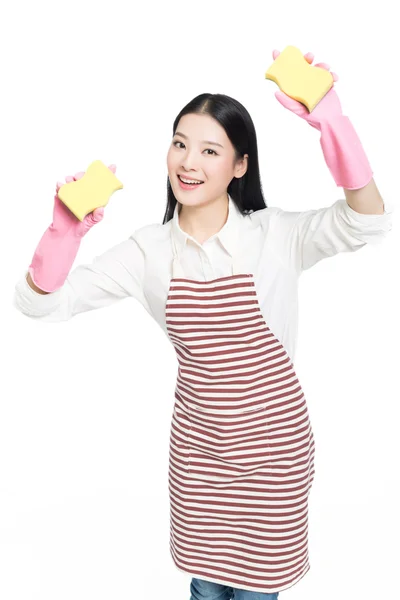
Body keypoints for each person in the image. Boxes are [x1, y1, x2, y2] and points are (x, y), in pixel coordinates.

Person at [13, 49, 392, 599]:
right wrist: (62, 237)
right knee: (206, 590)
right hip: (201, 459)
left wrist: (334, 124)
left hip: (272, 457)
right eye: (180, 144)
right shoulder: (148, 251)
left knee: (259, 592)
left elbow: (368, 221)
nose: (188, 162)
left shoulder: (275, 236)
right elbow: (42, 304)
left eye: (210, 150)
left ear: (239, 165)